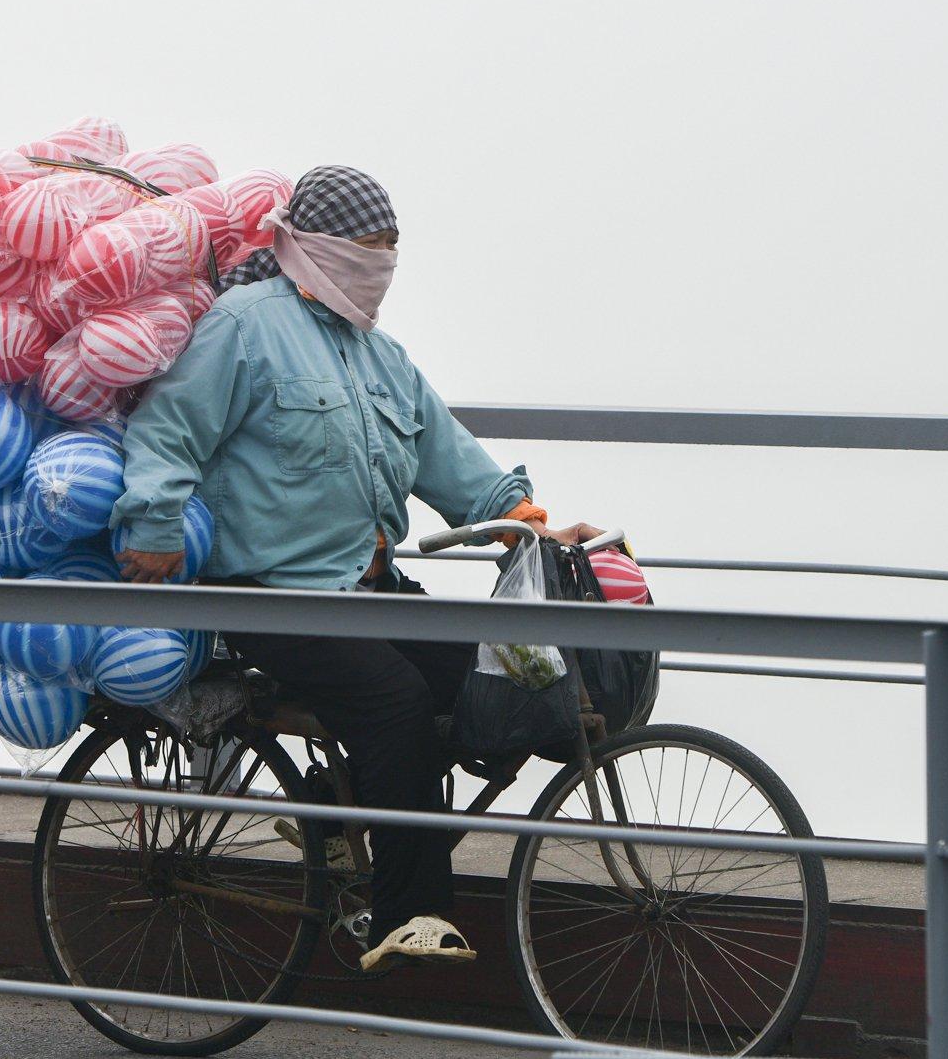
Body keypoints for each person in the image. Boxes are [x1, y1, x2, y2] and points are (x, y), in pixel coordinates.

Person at [111, 165, 597, 973]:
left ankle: (344, 824)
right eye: (370, 247)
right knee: (395, 702)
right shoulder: (243, 327)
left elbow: (451, 459)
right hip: (273, 597)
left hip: (367, 592)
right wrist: (155, 522)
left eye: (392, 249)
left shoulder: (379, 353)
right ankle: (407, 913)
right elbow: (169, 429)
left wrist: (528, 524)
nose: (383, 263)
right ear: (318, 246)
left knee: (481, 672)